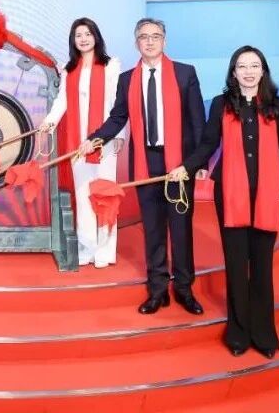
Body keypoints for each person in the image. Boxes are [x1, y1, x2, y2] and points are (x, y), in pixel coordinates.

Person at [168, 46, 279, 359]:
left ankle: (263, 334)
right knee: (237, 266)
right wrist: (186, 167)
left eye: (254, 66)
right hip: (230, 195)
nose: (248, 72)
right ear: (234, 72)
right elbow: (208, 144)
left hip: (267, 196)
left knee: (262, 267)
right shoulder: (221, 104)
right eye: (242, 66)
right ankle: (238, 333)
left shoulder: (277, 106)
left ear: (263, 71)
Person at [81, 18, 206, 315]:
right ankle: (158, 290)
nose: (150, 42)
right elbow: (117, 118)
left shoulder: (185, 73)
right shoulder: (128, 79)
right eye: (144, 37)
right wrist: (94, 140)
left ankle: (184, 289)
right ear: (136, 42)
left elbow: (197, 121)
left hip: (178, 163)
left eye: (155, 36)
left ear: (164, 40)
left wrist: (197, 163)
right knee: (153, 229)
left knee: (181, 229)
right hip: (145, 162)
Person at [41, 18, 123, 267]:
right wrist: (49, 122)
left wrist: (119, 135)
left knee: (105, 194)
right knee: (83, 192)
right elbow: (62, 101)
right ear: (73, 40)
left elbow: (118, 103)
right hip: (78, 141)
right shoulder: (69, 70)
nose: (84, 39)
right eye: (79, 35)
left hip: (104, 138)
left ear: (96, 36)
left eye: (88, 34)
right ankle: (87, 247)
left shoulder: (110, 66)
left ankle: (105, 251)